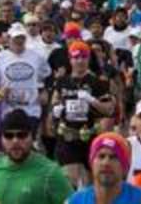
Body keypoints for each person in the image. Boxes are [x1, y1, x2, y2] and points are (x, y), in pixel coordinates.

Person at [49, 40, 117, 187]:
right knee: (70, 181)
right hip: (67, 137)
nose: (80, 61)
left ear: (88, 58)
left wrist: (93, 101)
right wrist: (55, 110)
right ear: (70, 59)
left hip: (90, 137)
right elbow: (54, 101)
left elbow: (109, 109)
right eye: (76, 57)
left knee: (90, 185)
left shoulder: (98, 82)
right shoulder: (62, 81)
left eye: (84, 57)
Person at [0, 107, 75, 204]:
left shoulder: (50, 172)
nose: (15, 141)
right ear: (1, 139)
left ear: (32, 137)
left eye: (22, 135)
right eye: (8, 135)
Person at [0, 21, 51, 123]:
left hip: (31, 110)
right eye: (16, 37)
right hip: (8, 110)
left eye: (22, 37)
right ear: (9, 39)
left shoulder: (36, 56)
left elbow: (47, 75)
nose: (19, 40)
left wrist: (44, 91)